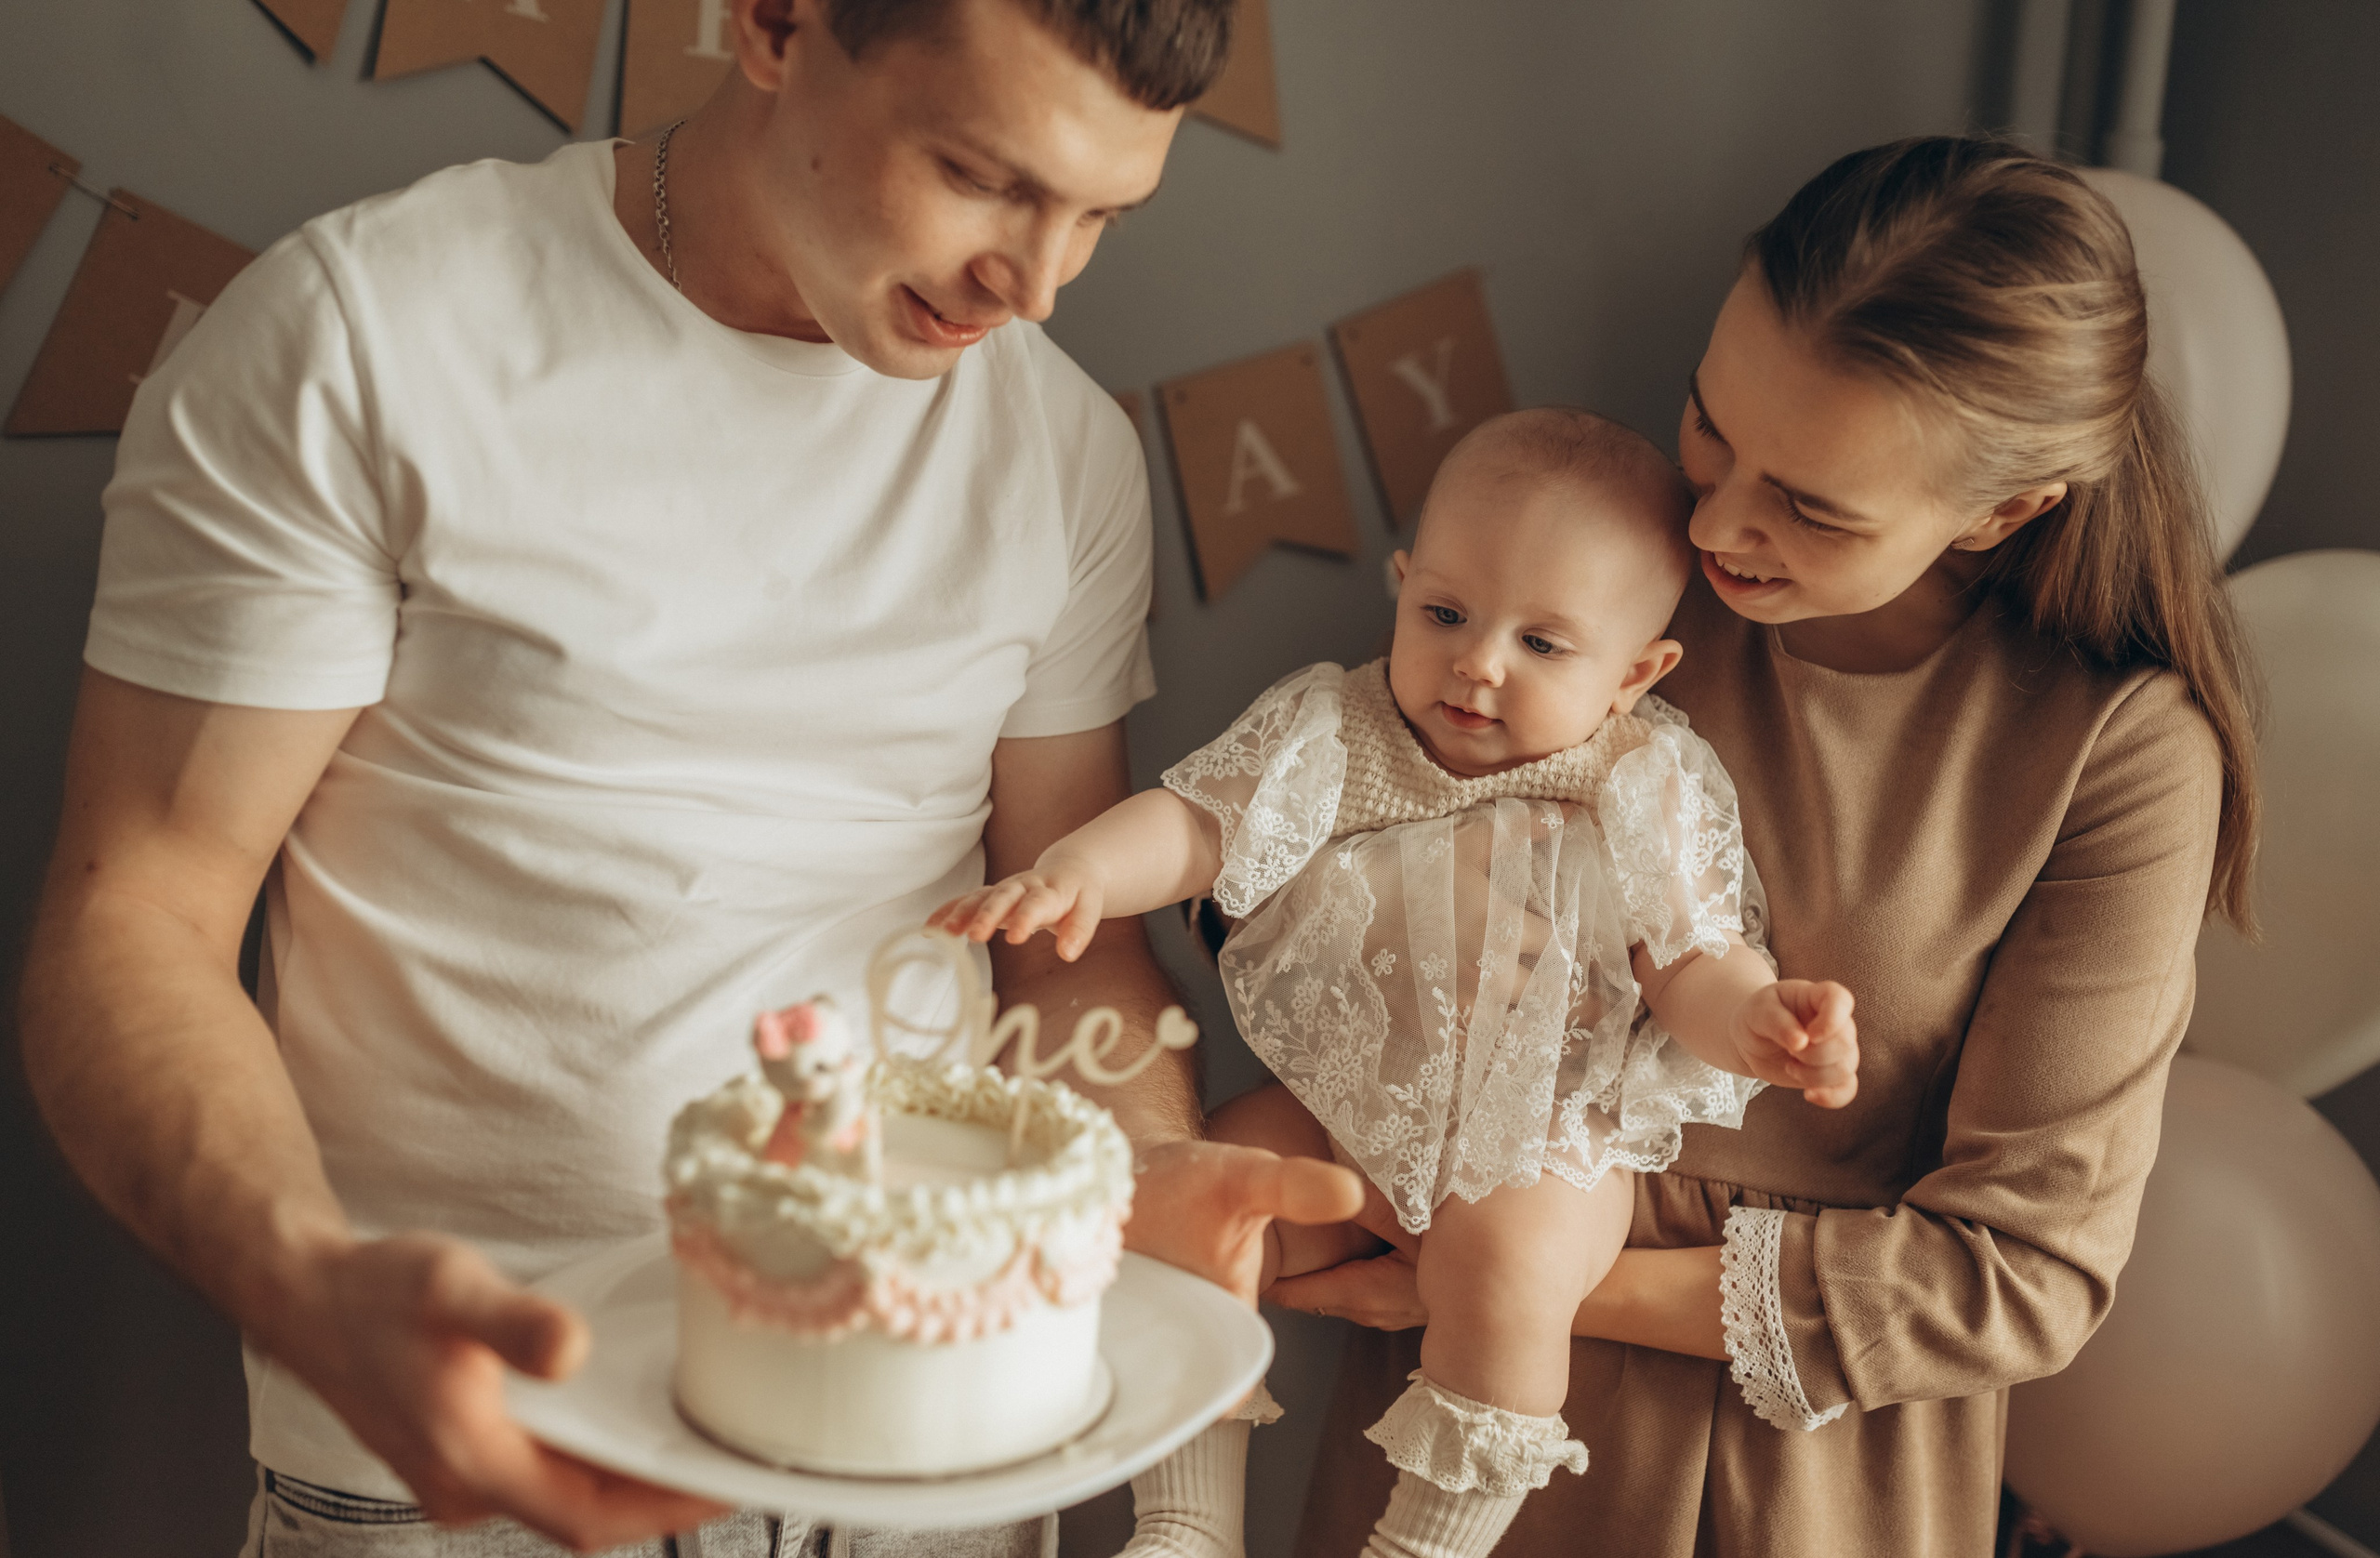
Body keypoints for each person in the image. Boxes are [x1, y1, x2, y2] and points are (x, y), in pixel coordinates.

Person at [15, 1, 1366, 1554]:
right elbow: (142, 913)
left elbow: (1064, 940)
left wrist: (1137, 1164)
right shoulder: (362, 337)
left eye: (1103, 216)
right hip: (464, 1451)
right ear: (776, 25)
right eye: (984, 178)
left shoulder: (1064, 451)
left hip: (929, 1446)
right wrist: (309, 1283)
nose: (1037, 282)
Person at [1274, 136, 2257, 1558]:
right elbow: (1297, 816)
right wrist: (1386, 912)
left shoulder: (2117, 750)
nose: (1720, 521)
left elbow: (2019, 1276)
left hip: (1794, 1479)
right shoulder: (1604, 575)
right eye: (1710, 425)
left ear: (2003, 509)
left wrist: (1508, 1281)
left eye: (1811, 504)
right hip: (1455, 1381)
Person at [935, 409, 1862, 1558]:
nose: (1478, 662)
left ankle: (1420, 1547)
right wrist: (1076, 870)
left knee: (1508, 1274)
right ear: (1401, 583)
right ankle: (1187, 1519)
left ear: (1635, 673)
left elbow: (1688, 956)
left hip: (1538, 1133)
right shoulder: (1340, 727)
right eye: (1444, 614)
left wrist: (1756, 1018)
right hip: (1345, 1104)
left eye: (1543, 643)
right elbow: (1201, 824)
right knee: (1193, 1204)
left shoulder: (1642, 780)